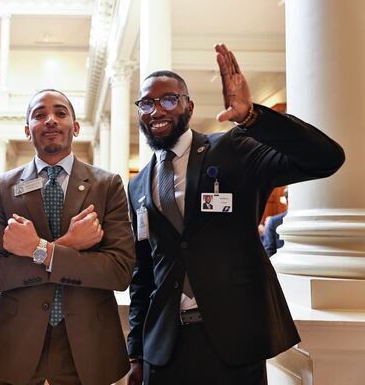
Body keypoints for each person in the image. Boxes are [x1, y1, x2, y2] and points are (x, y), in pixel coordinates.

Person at [127, 44, 345, 384]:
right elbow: (144, 272)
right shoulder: (138, 185)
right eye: (147, 103)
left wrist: (250, 116)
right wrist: (135, 350)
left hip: (234, 340)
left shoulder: (232, 150)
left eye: (169, 99)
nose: (157, 110)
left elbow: (326, 158)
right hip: (164, 346)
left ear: (189, 105)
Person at [0, 89, 135, 384]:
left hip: (90, 345)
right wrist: (68, 247)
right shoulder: (1, 188)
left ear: (75, 127)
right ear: (28, 130)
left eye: (60, 113)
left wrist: (39, 249)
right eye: (39, 115)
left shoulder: (107, 186)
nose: (50, 120)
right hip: (17, 345)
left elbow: (119, 272)